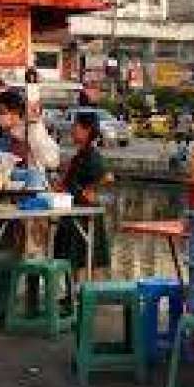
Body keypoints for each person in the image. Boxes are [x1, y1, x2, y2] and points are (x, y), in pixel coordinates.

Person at [52, 111, 110, 279]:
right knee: (74, 261)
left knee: (85, 261)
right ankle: (74, 295)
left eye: (76, 126)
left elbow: (104, 178)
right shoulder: (79, 156)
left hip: (85, 216)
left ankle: (86, 297)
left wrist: (86, 191)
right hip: (73, 214)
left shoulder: (93, 157)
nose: (72, 130)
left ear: (88, 130)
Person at [0, 89, 60, 170]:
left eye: (2, 112)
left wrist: (32, 142)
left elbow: (53, 161)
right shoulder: (1, 133)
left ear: (15, 112)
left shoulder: (33, 130)